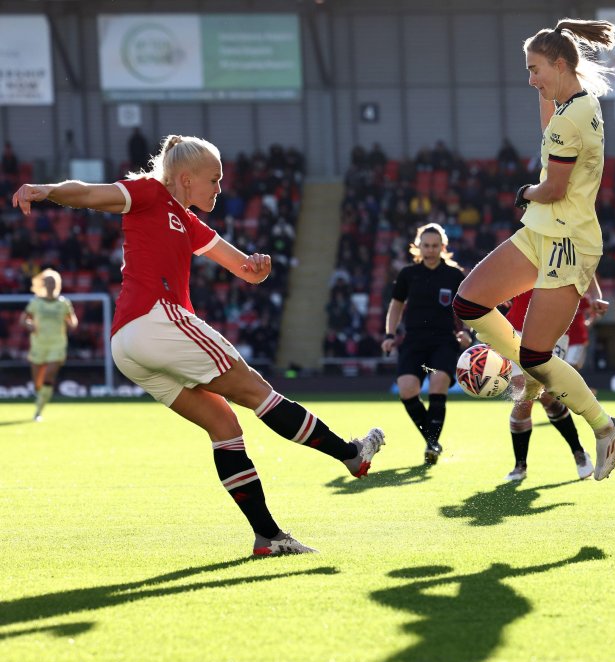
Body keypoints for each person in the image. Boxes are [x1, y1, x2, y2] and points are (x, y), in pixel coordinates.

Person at [12, 134, 385, 557]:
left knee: (225, 428)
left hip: (127, 344)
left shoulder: (186, 221)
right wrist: (47, 190)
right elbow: (90, 195)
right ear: (185, 179)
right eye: (215, 178)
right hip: (156, 318)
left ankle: (268, 538)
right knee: (258, 393)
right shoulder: (151, 192)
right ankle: (350, 454)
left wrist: (256, 271)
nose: (220, 188)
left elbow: (242, 267)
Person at [452, 18, 615, 481]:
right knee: (468, 302)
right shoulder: (577, 102)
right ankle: (516, 368)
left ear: (559, 63)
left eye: (535, 69)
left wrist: (524, 192)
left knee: (536, 357)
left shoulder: (573, 117)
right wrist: (542, 87)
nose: (530, 78)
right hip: (543, 231)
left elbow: (553, 187)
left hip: (568, 239)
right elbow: (550, 119)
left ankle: (606, 427)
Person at [382, 223, 471, 465]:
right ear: (418, 247)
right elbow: (396, 306)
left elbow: (466, 308)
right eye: (426, 246)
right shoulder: (408, 274)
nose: (430, 250)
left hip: (444, 340)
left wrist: (466, 332)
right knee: (407, 389)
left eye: (435, 246)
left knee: (439, 381)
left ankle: (431, 444)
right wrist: (390, 335)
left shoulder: (454, 275)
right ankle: (432, 440)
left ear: (443, 247)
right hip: (413, 341)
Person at [501, 282, 607, 482]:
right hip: (516, 330)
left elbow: (588, 270)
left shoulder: (568, 251)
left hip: (552, 333)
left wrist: (595, 296)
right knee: (523, 398)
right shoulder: (523, 250)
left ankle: (578, 452)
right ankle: (520, 465)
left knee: (548, 397)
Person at [20, 268, 78, 421]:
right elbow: (23, 319)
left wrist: (70, 324)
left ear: (58, 284)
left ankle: (38, 411)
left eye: (54, 282)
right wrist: (29, 324)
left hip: (57, 344)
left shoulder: (64, 303)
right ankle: (40, 399)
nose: (51, 285)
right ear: (44, 284)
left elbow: (73, 321)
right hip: (39, 344)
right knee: (38, 383)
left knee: (49, 374)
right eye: (48, 282)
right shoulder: (35, 302)